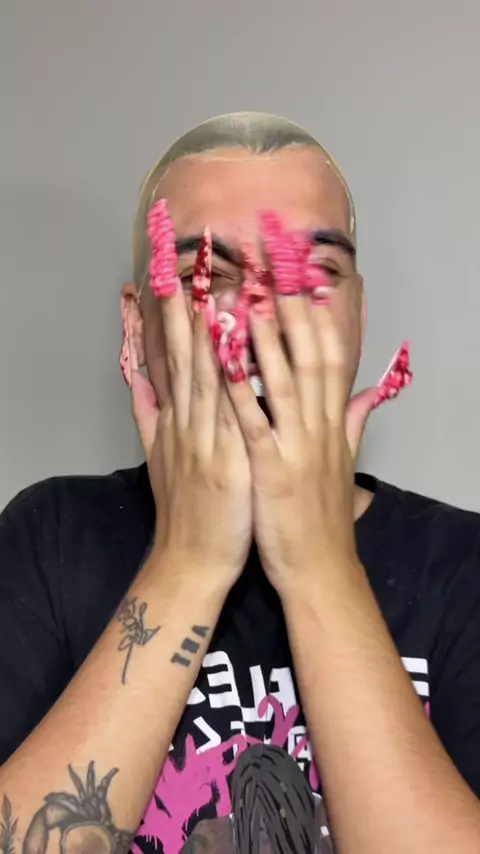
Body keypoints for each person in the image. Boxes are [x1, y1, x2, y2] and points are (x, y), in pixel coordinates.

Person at [0, 111, 479, 854]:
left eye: (313, 276)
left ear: (358, 315)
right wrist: (188, 562)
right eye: (207, 276)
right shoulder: (50, 537)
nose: (263, 317)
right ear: (136, 327)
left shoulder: (462, 565)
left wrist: (320, 567)